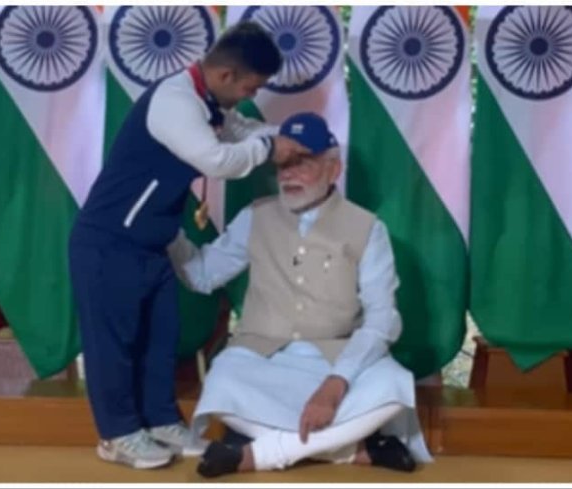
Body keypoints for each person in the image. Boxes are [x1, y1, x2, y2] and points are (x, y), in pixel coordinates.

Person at [68, 21, 308, 470]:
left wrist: (286, 138)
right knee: (114, 345)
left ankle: (160, 420)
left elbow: (240, 130)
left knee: (159, 339)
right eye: (249, 87)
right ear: (225, 77)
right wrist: (270, 147)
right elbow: (216, 160)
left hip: (153, 239)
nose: (248, 96)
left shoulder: (208, 100)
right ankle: (117, 435)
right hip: (108, 242)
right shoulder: (175, 100)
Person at [167, 112, 433, 477]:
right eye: (283, 165)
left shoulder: (368, 228)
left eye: (302, 163)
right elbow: (201, 274)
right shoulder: (255, 216)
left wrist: (336, 384)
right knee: (223, 381)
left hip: (336, 358)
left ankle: (256, 455)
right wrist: (167, 233)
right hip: (261, 358)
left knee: (391, 385)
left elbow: (383, 317)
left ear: (333, 170)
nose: (288, 175)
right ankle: (348, 451)